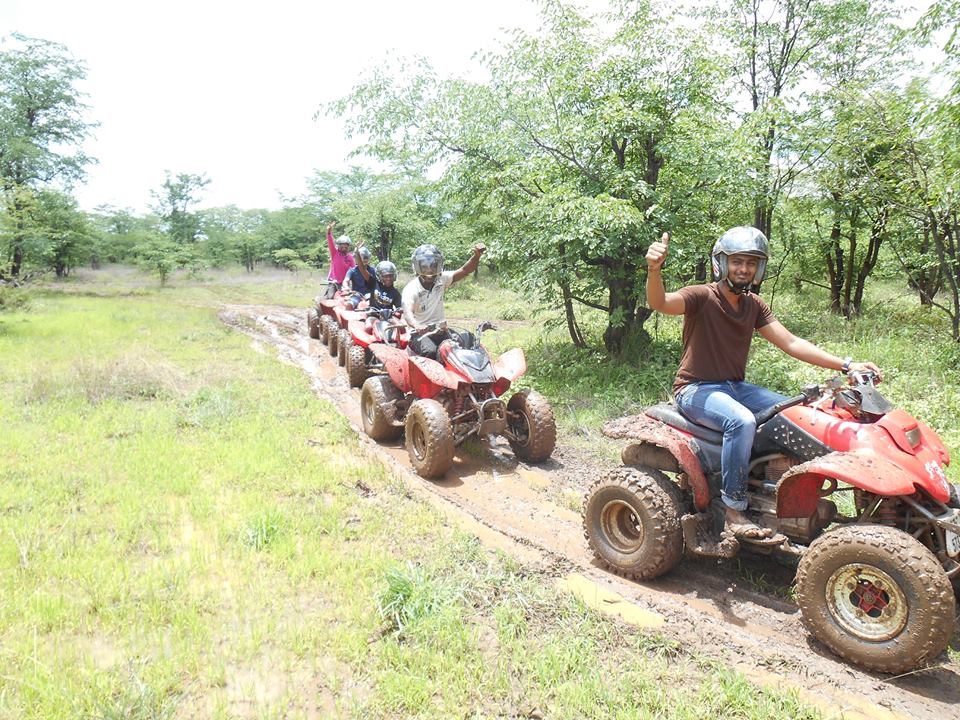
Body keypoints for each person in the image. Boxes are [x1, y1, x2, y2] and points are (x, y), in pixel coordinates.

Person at [646, 226, 882, 539]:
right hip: (696, 389)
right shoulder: (702, 296)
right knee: (741, 422)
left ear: (759, 268)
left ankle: (776, 487)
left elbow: (792, 342)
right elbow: (660, 303)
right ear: (722, 263)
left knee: (799, 413)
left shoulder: (753, 305)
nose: (744, 269)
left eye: (751, 263)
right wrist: (654, 269)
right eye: (737, 262)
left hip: (734, 387)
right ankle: (733, 509)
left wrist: (847, 364)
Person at [401, 242, 485, 359]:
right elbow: (407, 313)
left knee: (465, 343)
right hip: (419, 334)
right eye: (425, 266)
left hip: (440, 330)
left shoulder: (441, 279)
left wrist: (476, 256)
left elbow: (465, 270)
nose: (429, 270)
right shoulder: (411, 289)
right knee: (429, 351)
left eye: (433, 265)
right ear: (417, 266)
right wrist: (416, 326)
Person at [324, 221, 355, 298]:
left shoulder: (350, 257)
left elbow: (354, 270)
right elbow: (330, 242)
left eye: (346, 246)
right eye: (342, 246)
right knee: (330, 296)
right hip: (334, 282)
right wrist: (329, 232)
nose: (344, 248)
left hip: (345, 283)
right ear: (338, 246)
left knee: (349, 297)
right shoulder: (334, 253)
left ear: (348, 247)